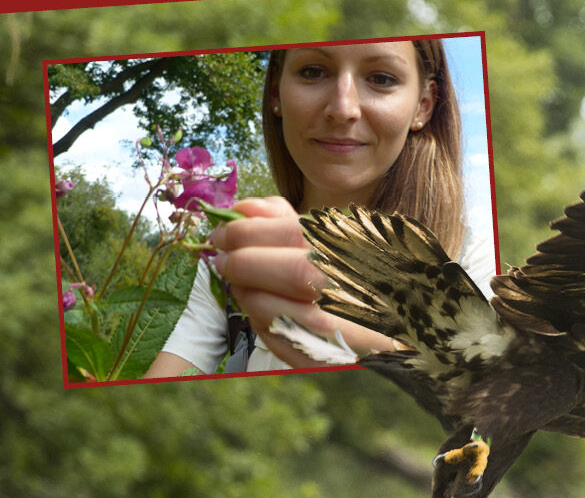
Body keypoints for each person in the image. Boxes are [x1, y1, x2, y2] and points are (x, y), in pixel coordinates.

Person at [144, 38, 493, 377]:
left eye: (382, 79)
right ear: (276, 93)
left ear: (424, 105)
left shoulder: (476, 265)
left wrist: (383, 349)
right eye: (313, 71)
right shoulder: (235, 254)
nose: (343, 109)